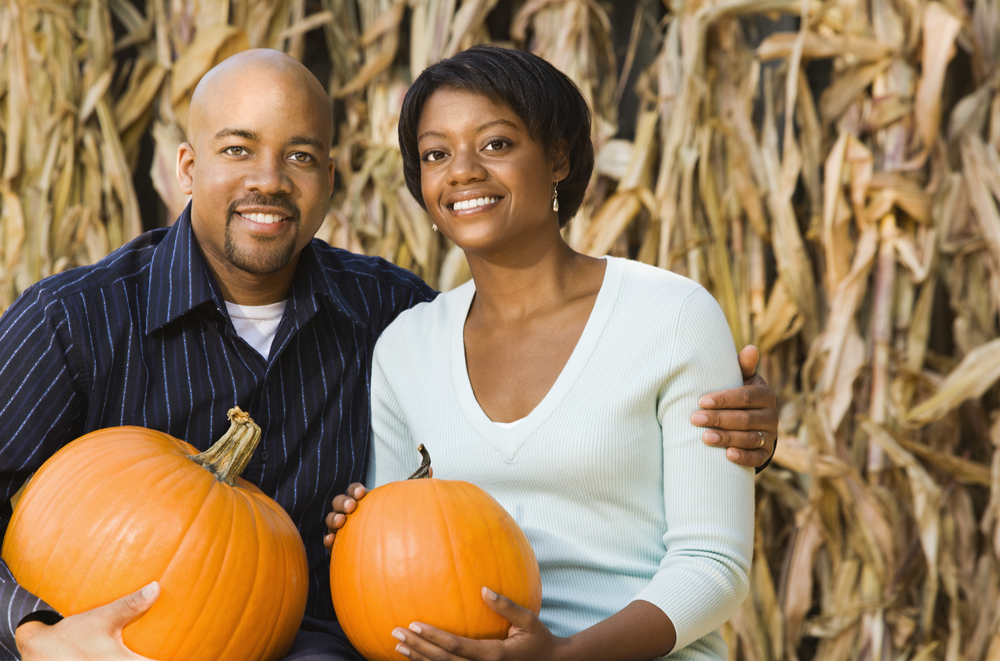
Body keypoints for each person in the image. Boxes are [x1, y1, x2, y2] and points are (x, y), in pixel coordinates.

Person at [0, 49, 774, 660]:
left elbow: (581, 425)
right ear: (188, 168)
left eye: (300, 156)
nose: (268, 181)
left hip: (317, 645)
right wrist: (36, 635)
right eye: (238, 149)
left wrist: (742, 421)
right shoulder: (75, 320)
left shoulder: (386, 314)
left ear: (332, 179)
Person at [326, 45, 756, 661]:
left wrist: (564, 655)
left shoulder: (673, 316)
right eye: (436, 154)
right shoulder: (407, 347)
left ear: (557, 156)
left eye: (496, 144)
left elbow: (713, 564)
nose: (464, 171)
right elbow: (394, 575)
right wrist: (359, 534)